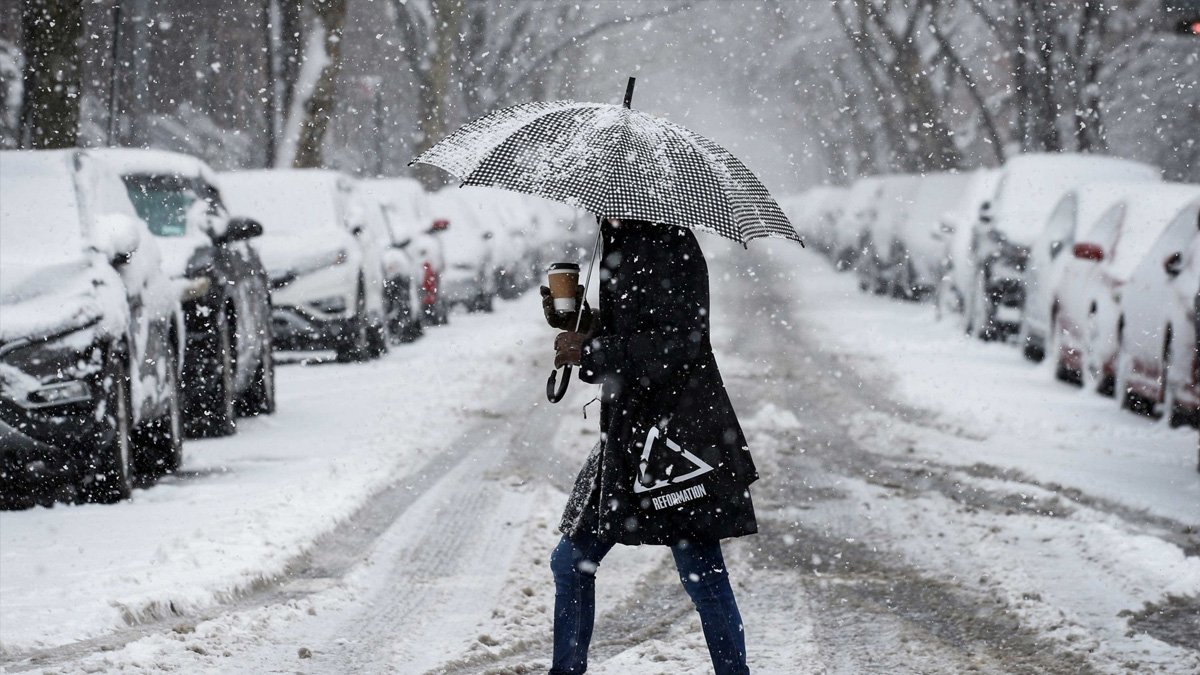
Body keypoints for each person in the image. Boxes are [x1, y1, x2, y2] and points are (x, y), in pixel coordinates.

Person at [541, 218, 758, 675]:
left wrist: (593, 351)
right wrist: (580, 321)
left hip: (675, 438)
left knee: (702, 576)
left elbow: (679, 344)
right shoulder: (623, 235)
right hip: (627, 434)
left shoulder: (664, 243)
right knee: (571, 560)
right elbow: (638, 329)